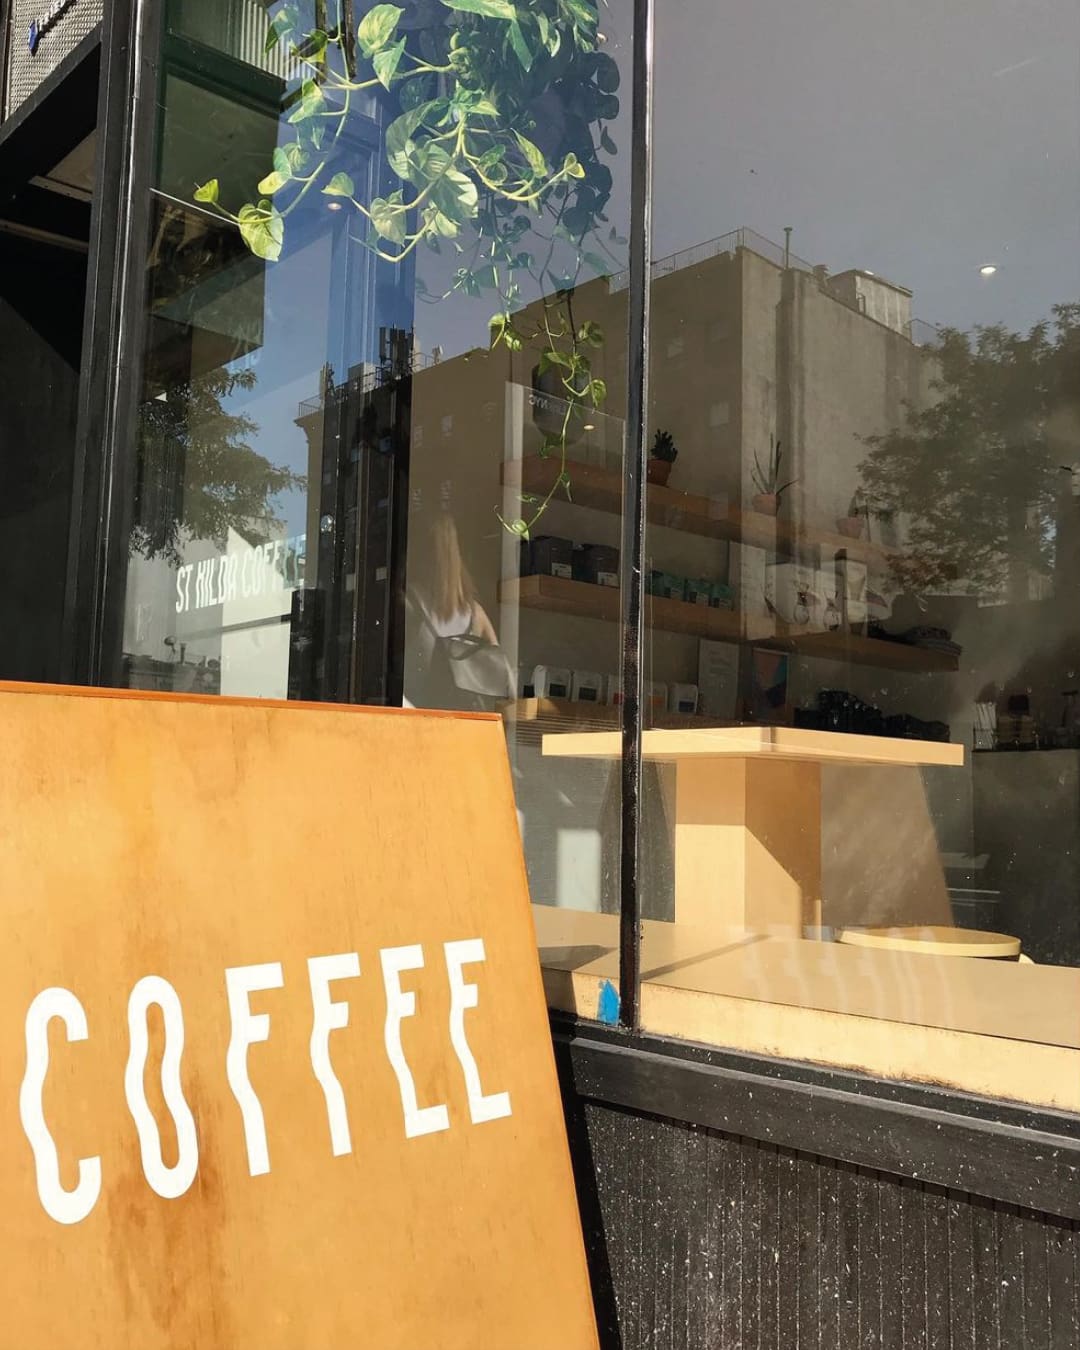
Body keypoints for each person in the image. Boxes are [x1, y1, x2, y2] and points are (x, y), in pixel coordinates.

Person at [404, 514, 510, 710]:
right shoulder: (476, 613)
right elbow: (500, 670)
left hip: (423, 720)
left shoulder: (410, 601)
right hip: (467, 723)